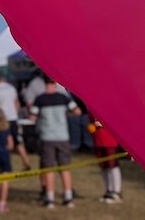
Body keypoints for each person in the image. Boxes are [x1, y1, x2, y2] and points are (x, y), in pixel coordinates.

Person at [30, 75, 82, 209]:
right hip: (62, 136)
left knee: (48, 169)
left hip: (47, 137)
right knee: (65, 168)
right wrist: (65, 115)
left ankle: (50, 198)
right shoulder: (63, 97)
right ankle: (68, 197)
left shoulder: (40, 99)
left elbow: (32, 117)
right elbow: (77, 111)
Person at [0, 68, 31, 170]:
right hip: (13, 118)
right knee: (17, 140)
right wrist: (16, 114)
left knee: (2, 142)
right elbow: (17, 103)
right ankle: (26, 161)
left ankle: (4, 164)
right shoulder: (11, 88)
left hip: (2, 120)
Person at [88, 114, 123, 204]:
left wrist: (102, 123)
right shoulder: (91, 108)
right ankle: (109, 190)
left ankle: (117, 192)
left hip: (109, 139)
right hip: (98, 139)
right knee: (103, 166)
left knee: (112, 165)